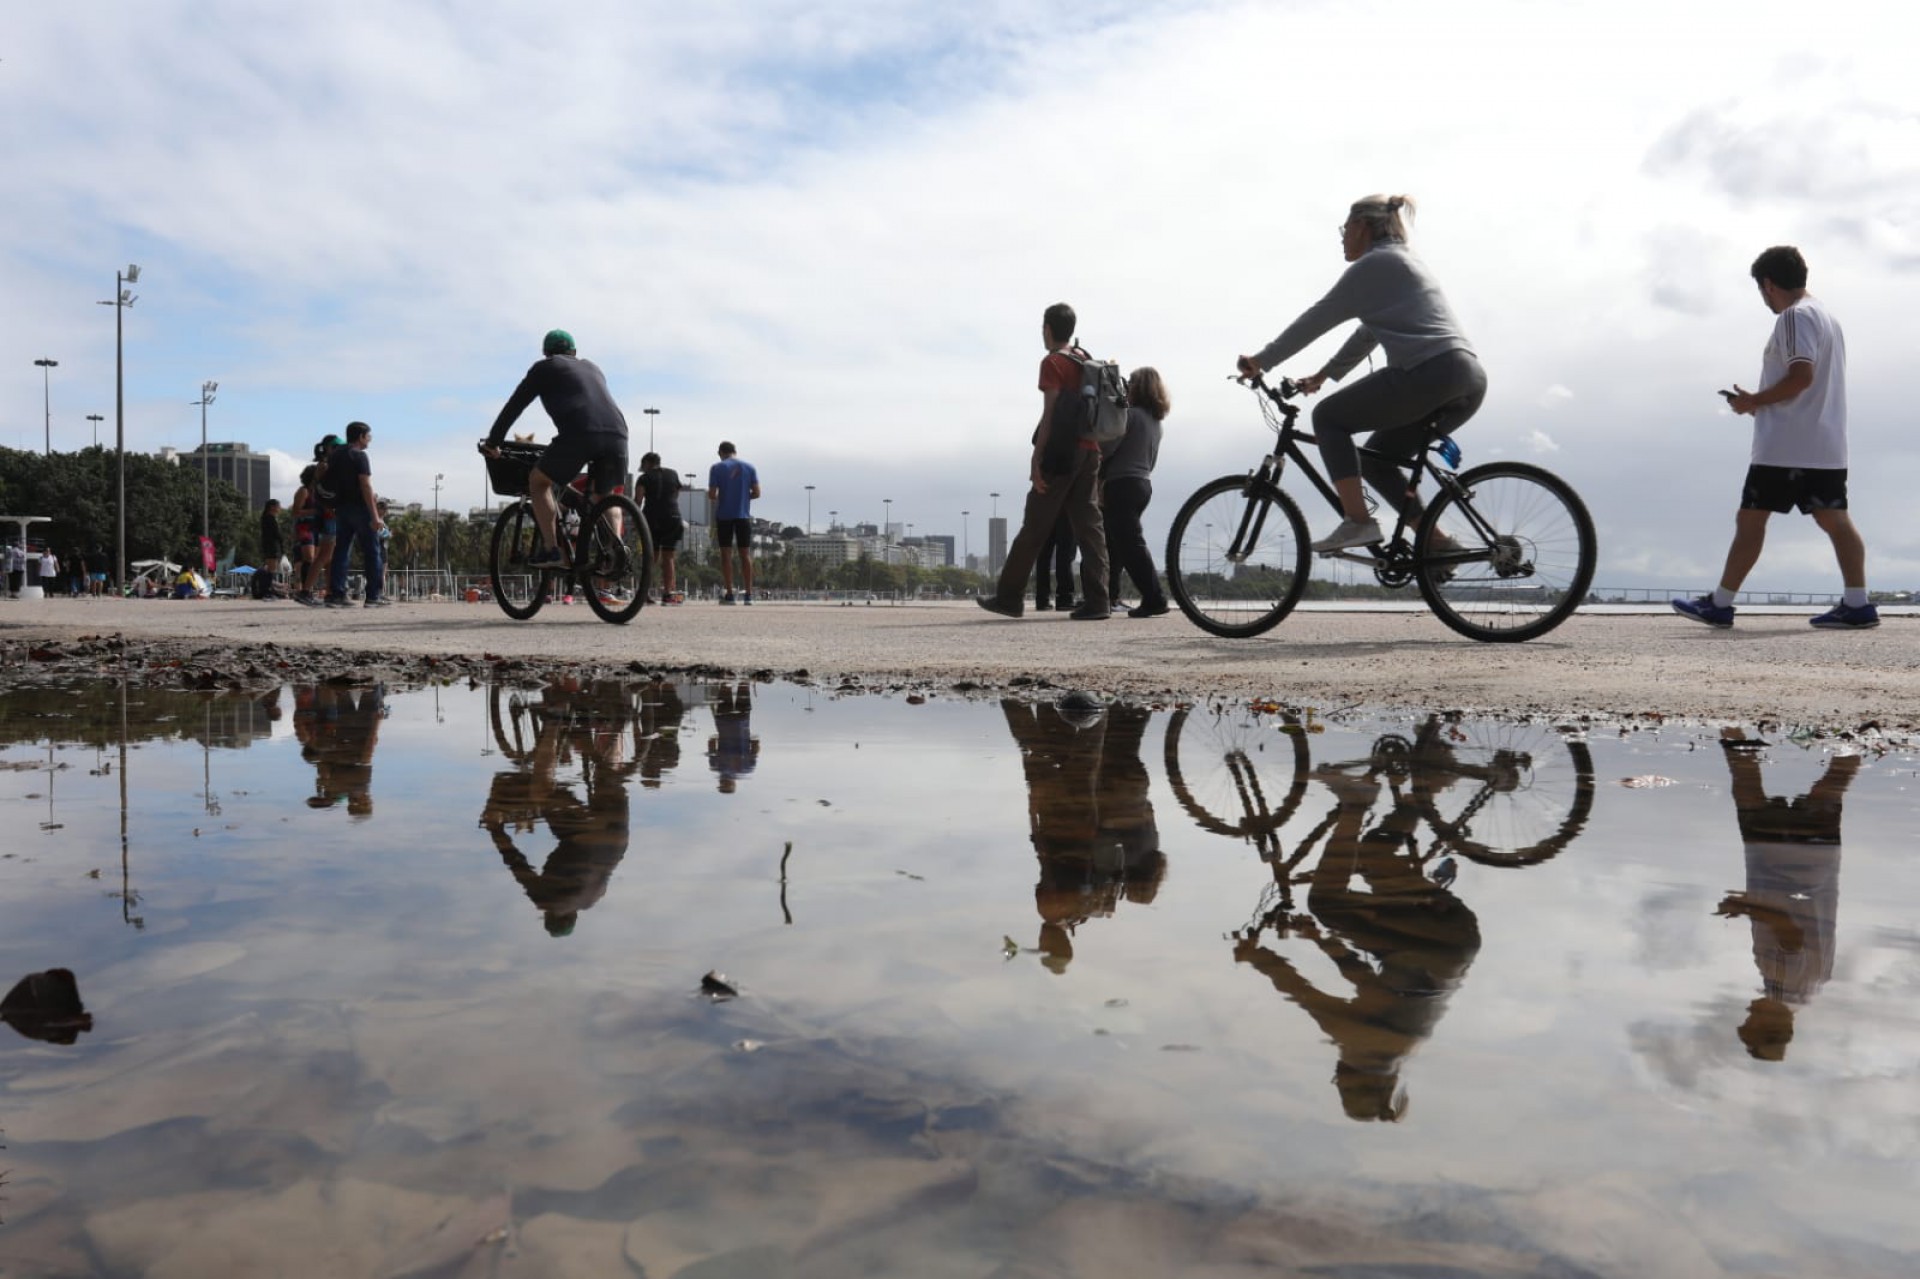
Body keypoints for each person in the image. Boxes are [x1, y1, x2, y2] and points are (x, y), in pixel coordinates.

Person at [1237, 194, 1486, 553]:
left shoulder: (1373, 265)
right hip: (1467, 377)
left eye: (1344, 229)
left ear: (1360, 226)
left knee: (1328, 417)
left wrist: (1262, 360)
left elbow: (1317, 319)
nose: (1341, 237)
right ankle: (1438, 544)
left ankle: (1358, 522)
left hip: (1428, 371)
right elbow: (1367, 334)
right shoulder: (1404, 262)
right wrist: (1324, 375)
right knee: (1375, 461)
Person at [1673, 246, 1875, 630]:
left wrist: (1753, 402)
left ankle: (1720, 603)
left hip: (1786, 444)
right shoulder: (1827, 317)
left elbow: (1801, 376)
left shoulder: (1794, 318)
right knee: (1835, 519)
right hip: (1825, 443)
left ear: (1768, 284)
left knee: (1750, 519)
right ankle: (1858, 603)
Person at [1714, 729, 1855, 1061]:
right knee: (1747, 785)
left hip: (1817, 864)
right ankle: (1729, 719)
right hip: (1783, 865)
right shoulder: (1785, 985)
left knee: (1833, 784)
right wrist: (1745, 906)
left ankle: (1860, 727)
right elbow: (1791, 932)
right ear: (1771, 1024)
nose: (1748, 1011)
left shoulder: (1810, 988)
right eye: (1750, 1020)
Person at [976, 302, 1113, 620]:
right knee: (1090, 529)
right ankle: (1099, 600)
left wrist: (1037, 458)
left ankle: (1009, 598)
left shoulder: (1053, 362)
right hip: (1091, 450)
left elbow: (1050, 413)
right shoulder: (1085, 359)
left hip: (1062, 452)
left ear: (1048, 329)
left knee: (1035, 525)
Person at [482, 329, 630, 569]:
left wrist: (494, 441)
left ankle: (553, 551)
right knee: (607, 495)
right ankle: (617, 551)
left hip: (580, 433)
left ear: (546, 353)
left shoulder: (544, 368)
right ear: (574, 352)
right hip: (618, 434)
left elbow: (514, 407)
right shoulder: (593, 368)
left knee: (539, 481)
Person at [1103, 366, 1171, 617]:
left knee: (1130, 545)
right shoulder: (1156, 422)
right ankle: (1142, 596)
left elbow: (1108, 449)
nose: (1127, 386)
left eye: (1130, 382)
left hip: (1122, 483)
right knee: (1125, 543)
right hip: (1143, 483)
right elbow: (1151, 461)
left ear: (1139, 388)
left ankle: (1155, 597)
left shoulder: (1130, 416)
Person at [324, 422, 388, 608]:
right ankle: (373, 596)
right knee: (372, 552)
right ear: (361, 436)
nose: (369, 439)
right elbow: (365, 485)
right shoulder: (359, 456)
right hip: (361, 508)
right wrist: (375, 515)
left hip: (341, 508)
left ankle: (338, 593)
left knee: (342, 551)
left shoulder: (336, 455)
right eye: (368, 436)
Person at [706, 441, 761, 604]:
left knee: (726, 555)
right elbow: (757, 493)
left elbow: (711, 494)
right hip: (743, 515)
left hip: (724, 516)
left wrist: (723, 497)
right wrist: (744, 497)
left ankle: (729, 594)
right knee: (745, 555)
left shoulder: (716, 468)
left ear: (721, 452)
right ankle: (748, 595)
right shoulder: (750, 467)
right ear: (735, 451)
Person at [636, 452, 685, 603]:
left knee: (651, 557)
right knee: (668, 556)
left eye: (643, 467)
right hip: (673, 517)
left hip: (653, 518)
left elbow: (637, 501)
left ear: (647, 463)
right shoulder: (673, 474)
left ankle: (644, 593)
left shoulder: (644, 478)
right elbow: (676, 495)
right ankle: (668, 594)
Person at [1032, 512, 1076, 612]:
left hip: (1045, 509)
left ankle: (1042, 599)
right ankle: (1064, 598)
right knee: (1065, 553)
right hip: (1066, 508)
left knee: (1043, 555)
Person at [255, 499, 284, 601]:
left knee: (270, 569)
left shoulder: (266, 518)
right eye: (278, 506)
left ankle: (267, 591)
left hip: (268, 546)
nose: (279, 508)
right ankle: (266, 592)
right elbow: (276, 534)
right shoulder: (270, 518)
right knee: (271, 570)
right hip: (271, 546)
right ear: (272, 507)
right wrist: (282, 541)